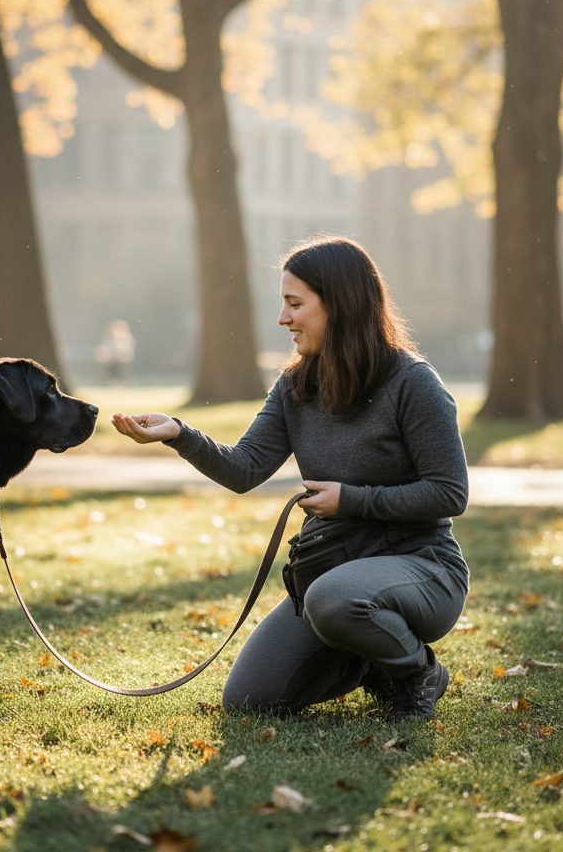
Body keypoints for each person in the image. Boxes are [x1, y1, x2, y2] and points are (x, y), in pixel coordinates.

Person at [112, 236, 469, 722]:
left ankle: (415, 670)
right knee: (250, 701)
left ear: (340, 305)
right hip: (332, 572)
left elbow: (450, 492)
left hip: (422, 568)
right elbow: (244, 469)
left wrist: (353, 501)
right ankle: (372, 663)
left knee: (333, 599)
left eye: (295, 304)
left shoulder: (413, 383)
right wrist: (180, 434)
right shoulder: (295, 385)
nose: (283, 319)